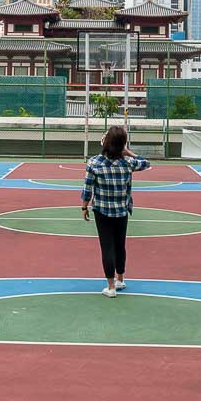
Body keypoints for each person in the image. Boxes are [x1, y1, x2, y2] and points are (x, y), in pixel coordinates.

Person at [81, 125, 151, 298]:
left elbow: (87, 189)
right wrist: (129, 152)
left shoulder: (94, 163)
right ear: (122, 144)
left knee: (107, 247)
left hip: (102, 210)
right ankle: (120, 279)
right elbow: (146, 163)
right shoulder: (128, 162)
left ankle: (111, 286)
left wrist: (84, 206)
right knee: (120, 245)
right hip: (121, 210)